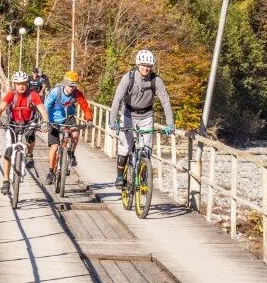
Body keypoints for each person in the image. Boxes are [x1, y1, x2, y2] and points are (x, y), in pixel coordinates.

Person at [108, 50, 175, 188]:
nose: (146, 68)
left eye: (149, 65)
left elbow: (165, 101)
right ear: (138, 64)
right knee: (125, 148)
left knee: (146, 149)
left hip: (147, 115)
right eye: (143, 65)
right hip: (128, 114)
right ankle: (120, 177)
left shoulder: (156, 80)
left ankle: (144, 177)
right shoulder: (129, 78)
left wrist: (170, 124)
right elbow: (117, 99)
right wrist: (113, 120)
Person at [0, 70, 48, 195]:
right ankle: (6, 181)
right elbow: (1, 107)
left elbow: (42, 109)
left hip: (29, 122)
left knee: (30, 137)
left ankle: (29, 154)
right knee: (8, 152)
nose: (21, 86)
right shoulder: (11, 94)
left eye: (23, 83)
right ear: (14, 84)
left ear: (27, 83)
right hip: (13, 123)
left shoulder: (33, 95)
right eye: (18, 84)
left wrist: (45, 122)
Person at [44, 71, 93, 184]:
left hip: (68, 117)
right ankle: (51, 172)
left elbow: (85, 107)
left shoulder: (77, 94)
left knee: (75, 133)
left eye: (74, 85)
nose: (71, 88)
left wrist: (89, 120)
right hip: (53, 119)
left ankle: (71, 153)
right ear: (65, 83)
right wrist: (45, 120)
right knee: (54, 147)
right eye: (70, 85)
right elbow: (46, 106)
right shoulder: (56, 92)